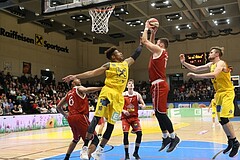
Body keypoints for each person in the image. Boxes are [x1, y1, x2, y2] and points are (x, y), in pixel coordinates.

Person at [62, 44, 143, 160]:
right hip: (107, 93)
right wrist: (75, 76)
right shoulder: (109, 65)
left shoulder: (126, 63)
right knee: (96, 118)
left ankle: (99, 150)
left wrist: (142, 43)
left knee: (111, 125)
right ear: (113, 57)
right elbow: (93, 72)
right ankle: (84, 148)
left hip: (118, 99)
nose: (121, 53)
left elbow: (136, 54)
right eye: (118, 52)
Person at [179, 46, 239, 157]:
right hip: (219, 94)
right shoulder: (211, 65)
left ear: (217, 54)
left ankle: (235, 142)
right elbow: (196, 68)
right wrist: (184, 63)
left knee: (225, 118)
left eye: (211, 52)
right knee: (221, 120)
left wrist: (196, 76)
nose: (208, 54)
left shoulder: (221, 63)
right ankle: (230, 141)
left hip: (227, 93)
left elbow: (214, 74)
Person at [141, 20, 180, 153]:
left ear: (161, 45)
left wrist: (146, 28)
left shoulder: (160, 50)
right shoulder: (159, 52)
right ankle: (165, 137)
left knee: (161, 113)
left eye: (157, 42)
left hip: (159, 84)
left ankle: (174, 137)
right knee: (157, 113)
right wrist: (154, 33)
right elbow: (151, 43)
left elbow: (145, 42)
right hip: (156, 85)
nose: (155, 43)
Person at [57, 78, 102, 160]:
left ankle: (66, 158)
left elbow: (58, 107)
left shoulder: (68, 94)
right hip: (80, 117)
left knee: (76, 139)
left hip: (71, 118)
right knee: (95, 139)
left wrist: (66, 115)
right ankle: (86, 156)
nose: (79, 80)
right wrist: (101, 88)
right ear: (73, 83)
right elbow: (87, 90)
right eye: (77, 79)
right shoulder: (78, 88)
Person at [121, 79, 145, 160]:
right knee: (125, 135)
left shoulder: (137, 95)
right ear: (127, 86)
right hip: (125, 118)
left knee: (139, 133)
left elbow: (143, 104)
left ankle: (136, 152)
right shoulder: (123, 95)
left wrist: (143, 106)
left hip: (134, 118)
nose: (130, 85)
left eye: (132, 84)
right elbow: (118, 106)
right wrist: (123, 110)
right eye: (129, 84)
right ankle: (126, 154)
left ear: (133, 86)